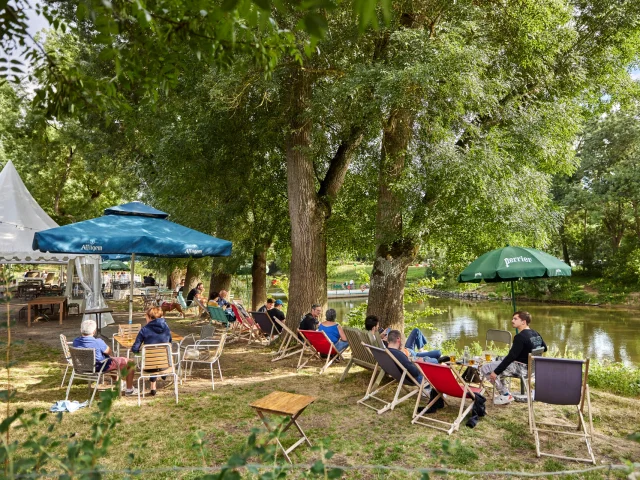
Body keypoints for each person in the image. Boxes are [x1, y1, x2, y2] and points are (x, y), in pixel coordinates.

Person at [479, 311, 547, 405]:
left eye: (515, 319)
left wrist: (496, 372)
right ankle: (505, 391)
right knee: (498, 360)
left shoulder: (520, 337)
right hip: (532, 369)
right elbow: (545, 348)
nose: (512, 321)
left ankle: (505, 394)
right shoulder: (536, 333)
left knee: (485, 368)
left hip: (520, 369)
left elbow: (511, 357)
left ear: (523, 322)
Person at [73, 319, 137, 395]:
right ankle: (129, 389)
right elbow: (109, 351)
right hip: (100, 366)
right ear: (94, 331)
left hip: (83, 366)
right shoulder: (98, 342)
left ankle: (120, 383)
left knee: (110, 360)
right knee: (130, 362)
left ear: (81, 330)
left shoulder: (76, 341)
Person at [364, 315, 444, 364]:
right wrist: (388, 341)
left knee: (416, 331)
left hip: (406, 350)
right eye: (377, 326)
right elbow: (394, 351)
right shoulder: (376, 341)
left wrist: (381, 337)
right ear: (374, 327)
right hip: (409, 354)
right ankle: (421, 352)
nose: (378, 327)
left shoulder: (369, 337)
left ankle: (421, 349)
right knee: (438, 353)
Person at [132, 306, 172, 396]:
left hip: (149, 366)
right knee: (157, 357)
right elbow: (170, 342)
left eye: (146, 317)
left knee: (151, 358)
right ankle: (160, 377)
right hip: (165, 364)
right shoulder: (166, 328)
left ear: (150, 317)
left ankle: (153, 387)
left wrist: (139, 354)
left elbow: (135, 348)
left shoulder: (144, 330)